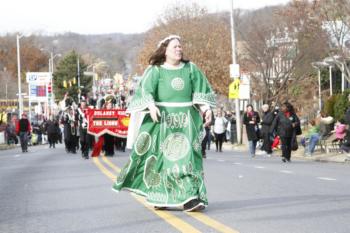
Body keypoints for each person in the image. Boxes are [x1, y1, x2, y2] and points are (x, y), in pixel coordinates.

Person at [112, 35, 216, 212]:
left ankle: (190, 197)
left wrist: (206, 110)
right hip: (161, 121)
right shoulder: (155, 70)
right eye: (175, 47)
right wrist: (151, 105)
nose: (179, 49)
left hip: (186, 122)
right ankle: (159, 195)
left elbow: (200, 92)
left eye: (180, 46)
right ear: (165, 51)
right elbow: (145, 91)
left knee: (187, 157)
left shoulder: (191, 69)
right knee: (161, 160)